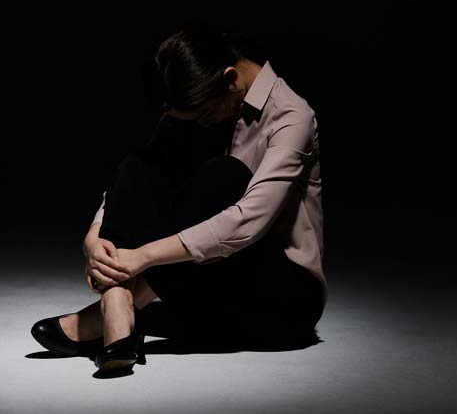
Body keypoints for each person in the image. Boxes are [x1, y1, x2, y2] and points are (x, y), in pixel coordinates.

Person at [30, 23, 327, 372]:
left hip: (280, 303)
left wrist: (141, 258)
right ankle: (118, 307)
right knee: (138, 163)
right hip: (213, 288)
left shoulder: (292, 117)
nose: (204, 123)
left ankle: (115, 310)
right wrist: (95, 238)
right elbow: (145, 174)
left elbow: (248, 221)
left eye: (205, 114)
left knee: (225, 176)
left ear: (231, 80)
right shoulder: (206, 101)